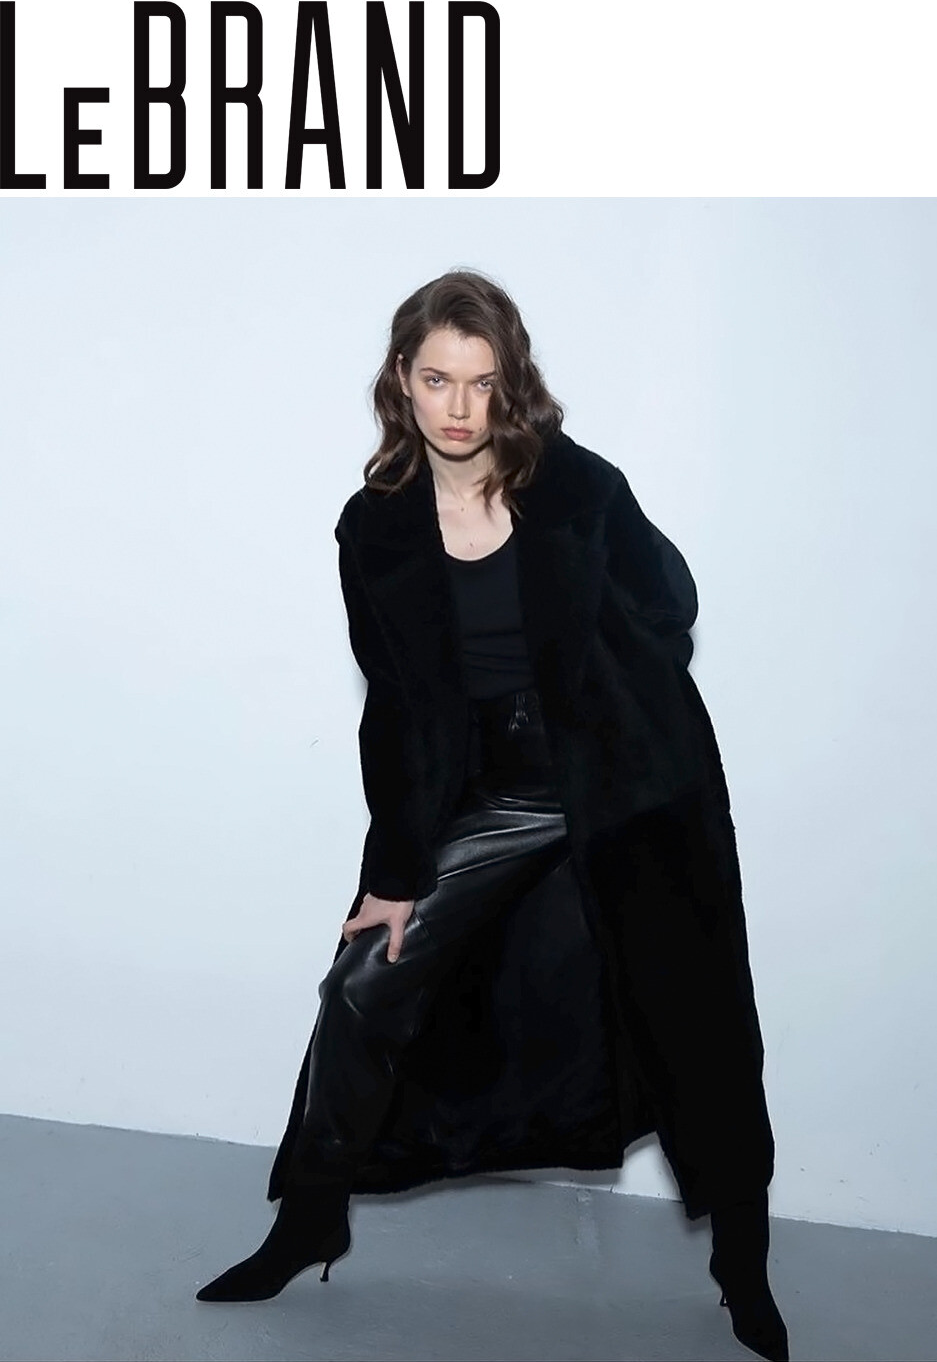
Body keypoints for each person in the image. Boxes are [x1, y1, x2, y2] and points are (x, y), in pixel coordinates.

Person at [195, 270, 789, 1362]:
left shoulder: (576, 486)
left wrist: (609, 682)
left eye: (480, 382)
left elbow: (671, 605)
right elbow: (393, 705)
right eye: (437, 380)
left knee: (693, 1019)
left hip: (629, 781)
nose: (459, 407)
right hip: (498, 791)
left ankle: (742, 1268)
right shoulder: (375, 528)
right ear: (401, 381)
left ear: (509, 382)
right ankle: (309, 1220)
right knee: (362, 988)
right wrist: (395, 870)